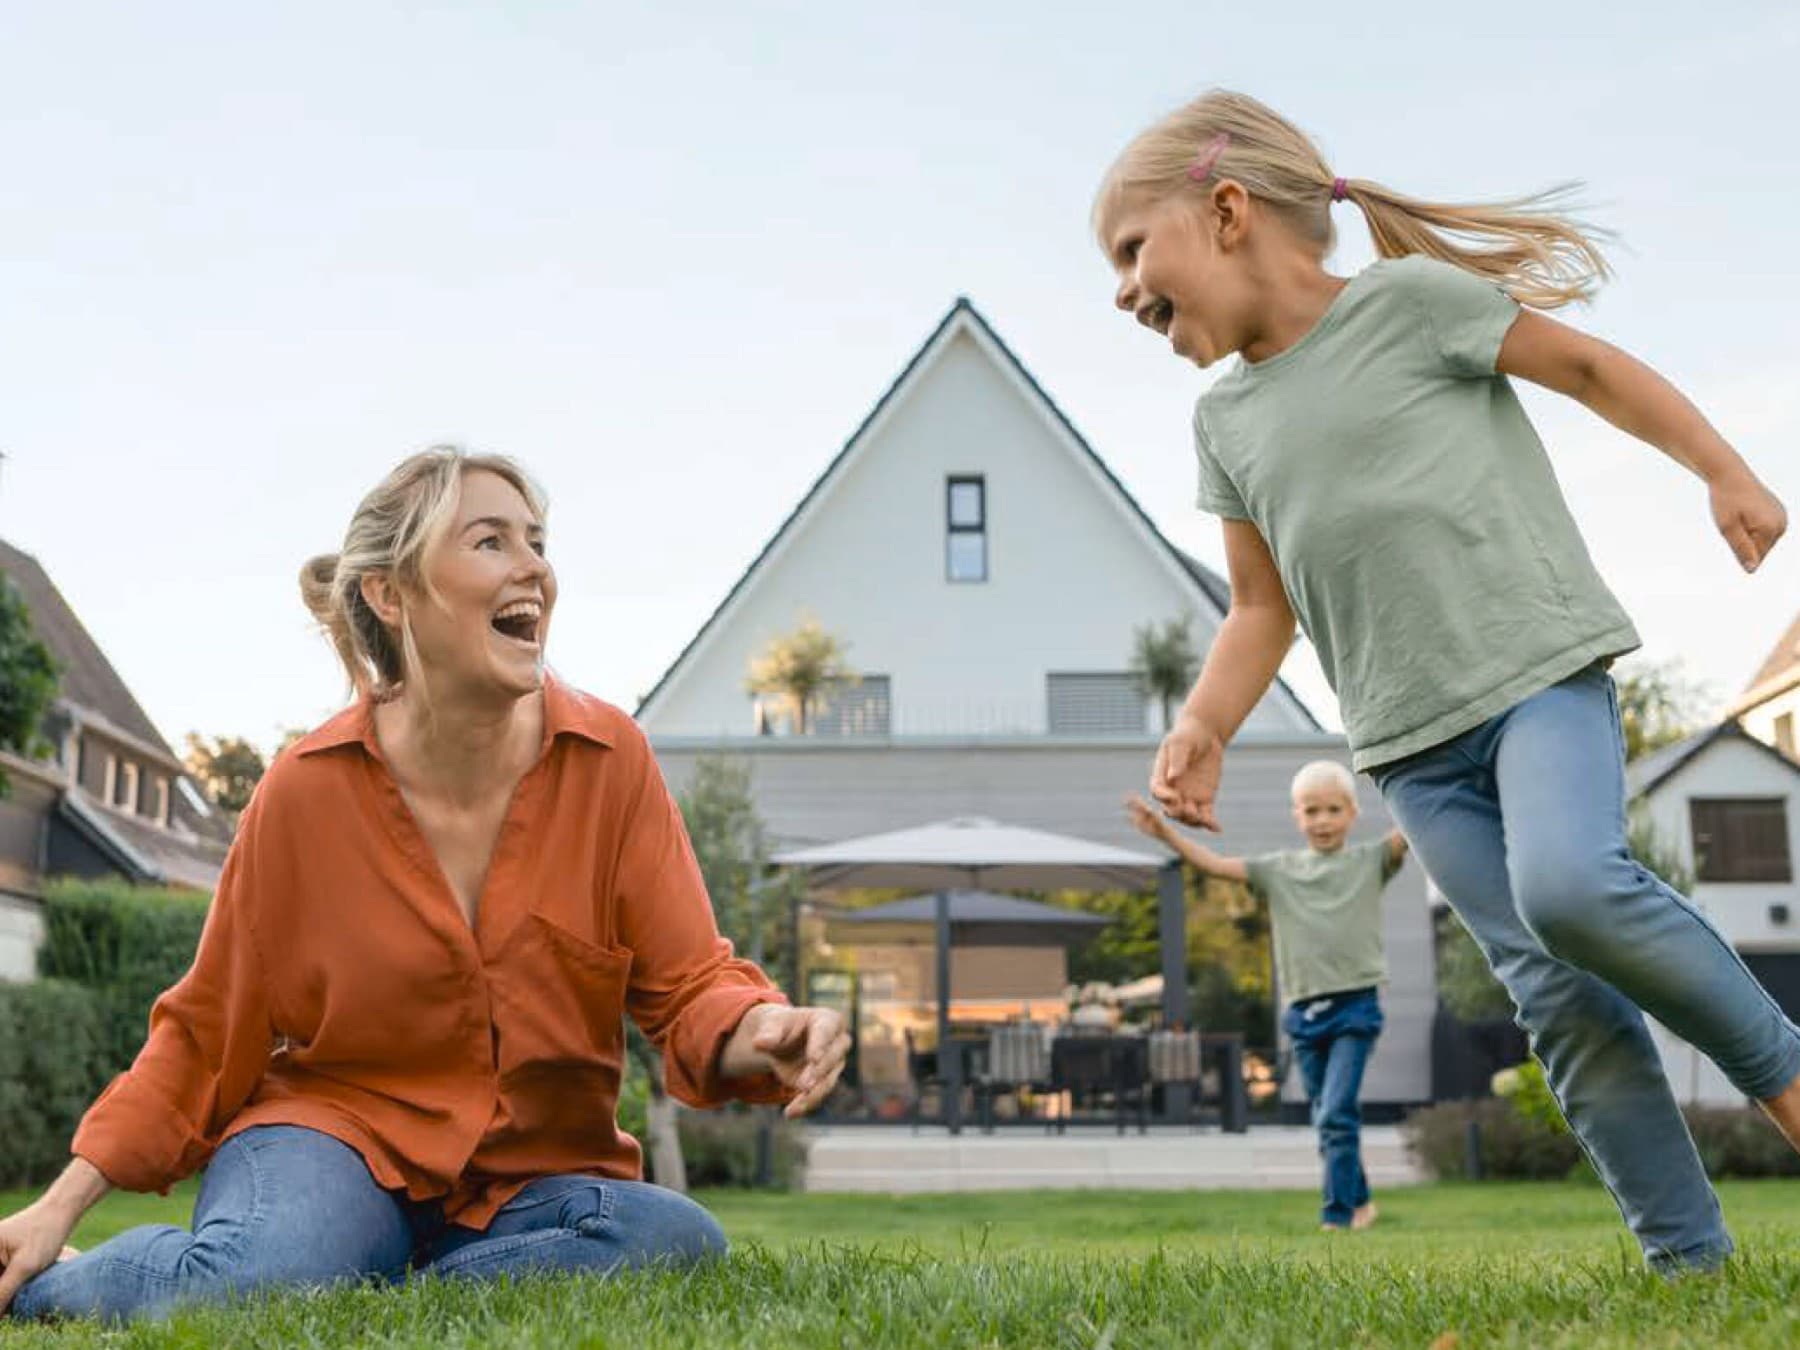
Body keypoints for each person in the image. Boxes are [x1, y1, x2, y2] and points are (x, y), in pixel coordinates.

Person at [1095, 89, 1797, 1273]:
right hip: (1412, 751)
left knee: (1572, 886)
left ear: (1224, 211)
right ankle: (1692, 1265)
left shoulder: (1411, 308)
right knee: (1560, 998)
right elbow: (1262, 607)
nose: (1119, 290)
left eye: (1128, 250)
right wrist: (1207, 721)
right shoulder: (1225, 424)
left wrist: (1721, 468)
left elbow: (1583, 365)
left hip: (1535, 678)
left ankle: (1783, 1073)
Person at [0, 448, 849, 1321]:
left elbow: (690, 985)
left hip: (530, 1179)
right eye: (491, 542)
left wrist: (761, 1027)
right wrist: (55, 1205)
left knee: (677, 1243)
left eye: (537, 541)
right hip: (333, 1141)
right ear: (391, 595)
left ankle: (362, 1287)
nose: (535, 569)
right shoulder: (305, 791)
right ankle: (69, 1284)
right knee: (258, 1281)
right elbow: (207, 1030)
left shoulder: (610, 763)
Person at [1128, 760, 1406, 1231]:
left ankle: (1336, 1219)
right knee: (1328, 1118)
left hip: (1355, 1008)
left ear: (1353, 812)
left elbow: (1415, 828)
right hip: (1302, 1015)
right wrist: (1165, 835)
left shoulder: (1370, 862)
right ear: (1296, 815)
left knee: (1336, 1113)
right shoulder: (1278, 871)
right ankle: (1360, 1202)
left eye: (1333, 810)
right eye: (1311, 810)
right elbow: (1214, 864)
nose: (1322, 821)